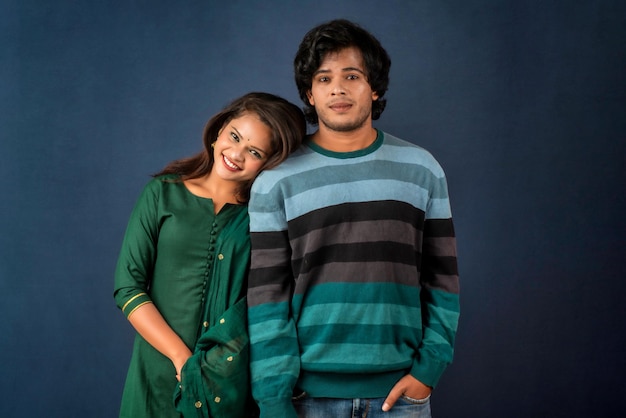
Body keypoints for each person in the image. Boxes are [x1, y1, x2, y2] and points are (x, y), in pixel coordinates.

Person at [246, 20, 460, 418]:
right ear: (310, 93)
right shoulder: (275, 181)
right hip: (304, 398)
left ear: (374, 88)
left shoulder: (422, 169)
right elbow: (266, 299)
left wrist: (429, 369)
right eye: (324, 78)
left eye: (352, 76)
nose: (338, 88)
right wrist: (273, 400)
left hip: (401, 397)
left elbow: (443, 279)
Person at [114, 92, 306, 418]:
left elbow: (271, 302)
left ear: (270, 162)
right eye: (234, 136)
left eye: (255, 151)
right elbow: (127, 286)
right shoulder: (163, 192)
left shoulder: (263, 219)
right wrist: (180, 358)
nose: (237, 153)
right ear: (218, 131)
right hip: (157, 374)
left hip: (226, 384)